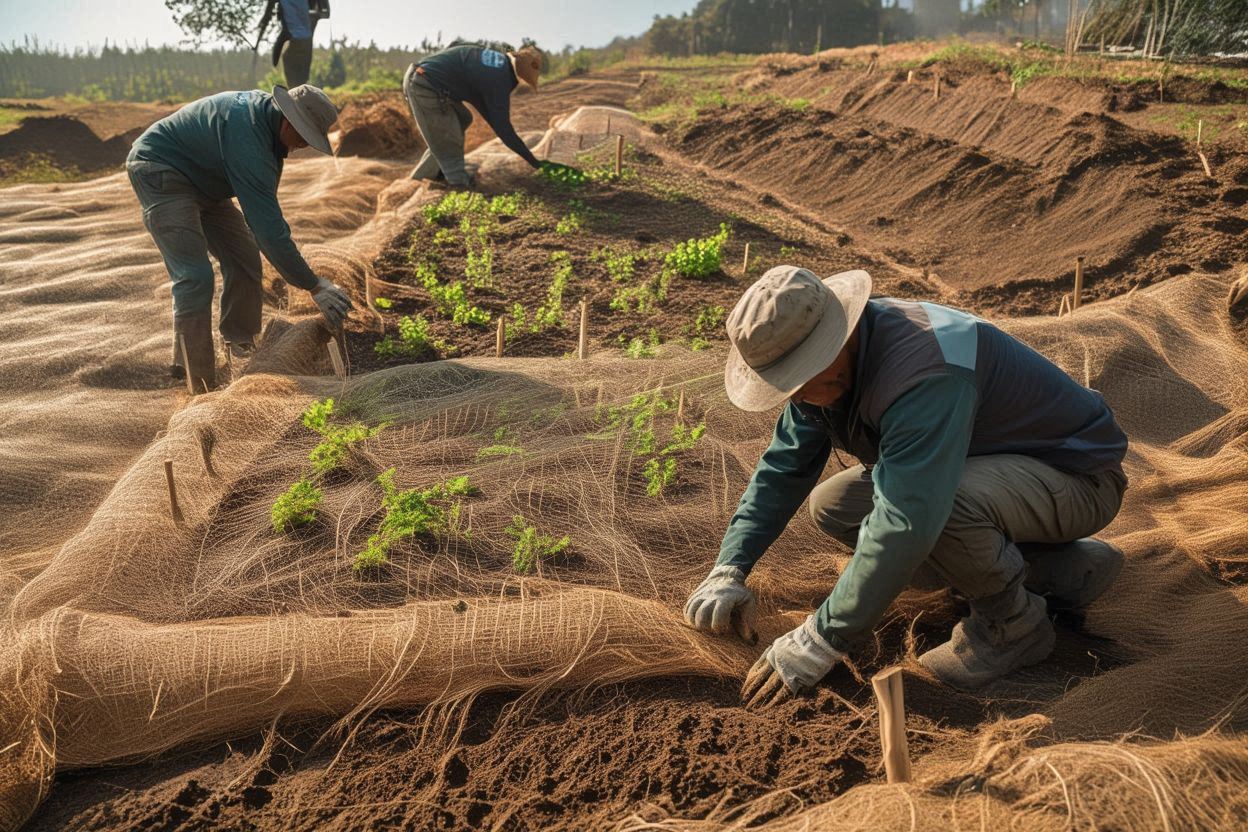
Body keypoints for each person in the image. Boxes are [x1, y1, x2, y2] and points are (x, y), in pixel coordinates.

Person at [684, 266, 1128, 707]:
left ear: (837, 336)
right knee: (835, 505)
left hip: (1077, 479)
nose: (796, 396)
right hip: (995, 471)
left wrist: (822, 637)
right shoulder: (825, 374)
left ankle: (1013, 627)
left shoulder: (924, 370)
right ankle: (1064, 572)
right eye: (787, 385)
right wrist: (730, 566)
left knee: (941, 504)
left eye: (801, 379)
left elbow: (906, 518)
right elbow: (784, 466)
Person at [127, 84, 353, 392]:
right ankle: (197, 378)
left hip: (207, 182)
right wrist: (313, 284)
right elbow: (267, 227)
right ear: (287, 120)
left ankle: (240, 342)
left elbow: (264, 217)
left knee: (244, 256)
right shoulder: (248, 137)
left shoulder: (268, 129)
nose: (302, 145)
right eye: (302, 137)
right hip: (161, 169)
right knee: (195, 276)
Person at [401, 43, 566, 187]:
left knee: (462, 119)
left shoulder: (497, 63)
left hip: (425, 78)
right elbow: (504, 130)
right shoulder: (500, 80)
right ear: (520, 74)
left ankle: (427, 173)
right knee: (448, 136)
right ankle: (458, 183)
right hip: (425, 84)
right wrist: (535, 162)